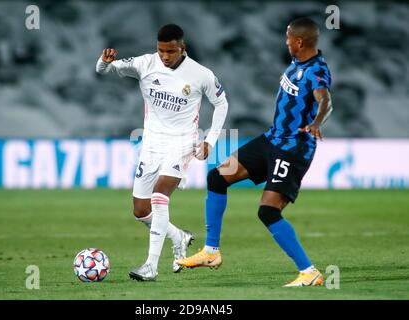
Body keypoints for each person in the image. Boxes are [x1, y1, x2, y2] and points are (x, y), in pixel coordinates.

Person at [177, 17, 333, 287]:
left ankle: (309, 272)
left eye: (287, 38)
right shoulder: (298, 64)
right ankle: (211, 252)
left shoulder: (317, 71)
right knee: (217, 177)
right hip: (271, 139)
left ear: (298, 41)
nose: (285, 42)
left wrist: (317, 122)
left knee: (268, 211)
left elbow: (325, 100)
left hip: (293, 149)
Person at [95, 24, 229, 281]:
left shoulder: (201, 74)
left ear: (183, 48)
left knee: (159, 196)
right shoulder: (145, 63)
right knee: (140, 210)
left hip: (182, 143)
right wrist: (104, 60)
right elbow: (104, 70)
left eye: (170, 51)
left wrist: (210, 140)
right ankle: (179, 237)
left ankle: (151, 266)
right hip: (151, 144)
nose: (165, 57)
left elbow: (221, 103)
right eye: (161, 51)